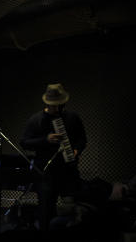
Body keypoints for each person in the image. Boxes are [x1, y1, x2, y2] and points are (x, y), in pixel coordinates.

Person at [20, 83, 87, 230]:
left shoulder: (72, 117)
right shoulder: (36, 119)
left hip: (68, 171)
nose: (56, 108)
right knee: (45, 211)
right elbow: (24, 142)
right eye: (53, 105)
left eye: (59, 105)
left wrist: (76, 150)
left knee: (73, 210)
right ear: (46, 103)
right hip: (46, 173)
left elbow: (82, 139)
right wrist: (45, 140)